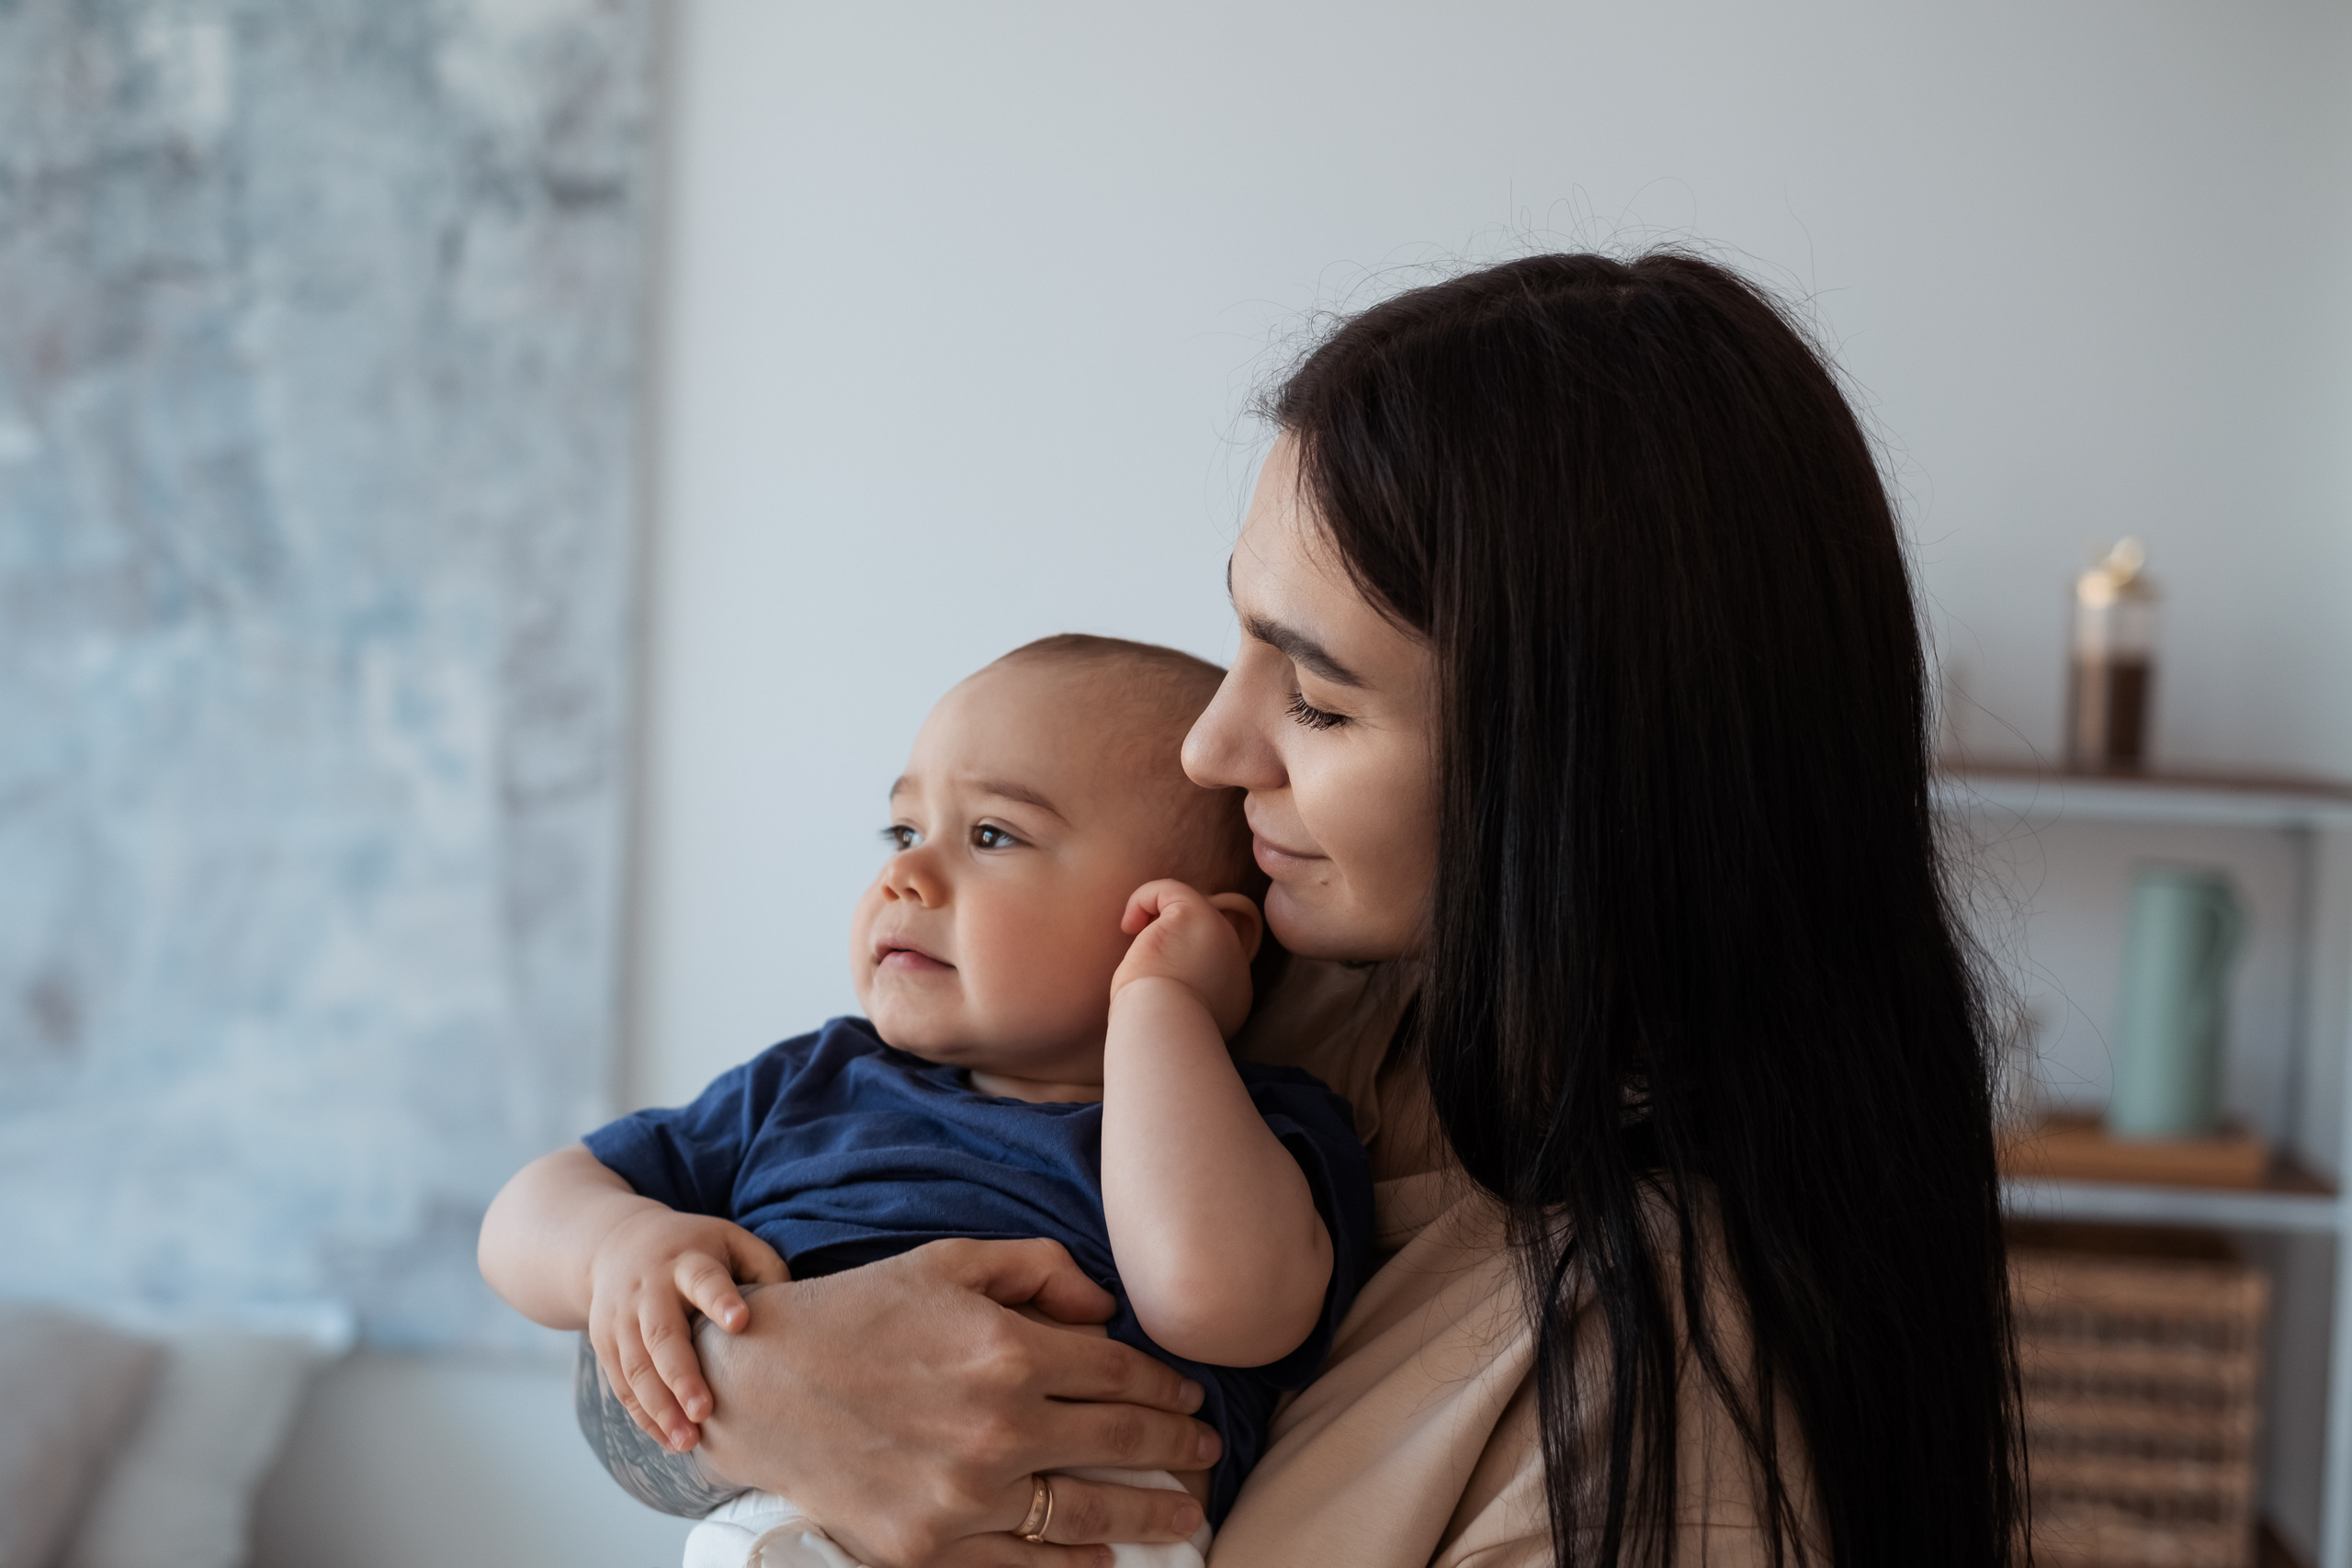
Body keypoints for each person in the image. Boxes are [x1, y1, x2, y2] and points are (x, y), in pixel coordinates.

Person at [569, 252, 2028, 1568]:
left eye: (1318, 700)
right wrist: (764, 1380)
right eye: (1242, 641)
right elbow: (666, 1285)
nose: (1212, 749)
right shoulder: (1258, 965)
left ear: (1577, 777)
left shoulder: (1664, 1408)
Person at [478, 637, 1376, 1567]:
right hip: (794, 1521)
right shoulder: (814, 1079)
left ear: (1195, 930)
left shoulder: (1249, 1129)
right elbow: (519, 1219)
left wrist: (1162, 1005)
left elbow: (1218, 1306)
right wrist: (616, 1243)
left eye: (992, 835)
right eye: (903, 833)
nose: (904, 876)